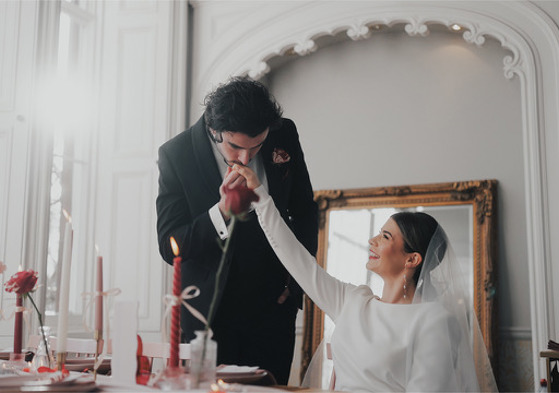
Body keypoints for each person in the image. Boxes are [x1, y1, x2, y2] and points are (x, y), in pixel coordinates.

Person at [234, 164, 498, 392]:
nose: (372, 240)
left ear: (412, 259)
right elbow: (296, 259)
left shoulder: (434, 320)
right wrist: (259, 196)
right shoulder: (353, 300)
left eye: (385, 236)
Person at [156, 77, 318, 384]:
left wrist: (297, 280)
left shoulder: (285, 133)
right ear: (214, 130)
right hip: (209, 317)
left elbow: (305, 209)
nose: (246, 158)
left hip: (275, 308)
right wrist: (220, 212)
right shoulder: (176, 155)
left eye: (256, 146)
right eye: (235, 147)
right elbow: (169, 243)